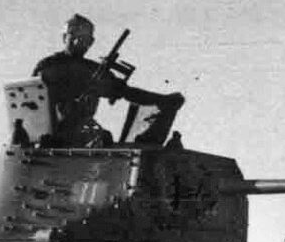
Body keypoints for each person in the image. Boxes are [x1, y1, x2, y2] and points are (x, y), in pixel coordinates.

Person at [32, 14, 184, 147]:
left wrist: (163, 100)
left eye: (84, 39)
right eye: (74, 36)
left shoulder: (92, 70)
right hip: (53, 136)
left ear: (91, 42)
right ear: (64, 37)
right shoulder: (49, 67)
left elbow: (127, 93)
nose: (79, 42)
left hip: (83, 133)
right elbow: (30, 104)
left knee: (106, 141)